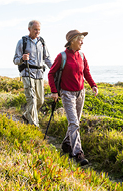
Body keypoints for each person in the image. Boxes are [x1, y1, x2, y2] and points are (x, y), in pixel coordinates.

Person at [48, 30, 98, 166]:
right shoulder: (62, 56)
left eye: (82, 39)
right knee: (74, 123)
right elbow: (51, 74)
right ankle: (77, 153)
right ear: (72, 41)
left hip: (81, 93)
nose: (82, 42)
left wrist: (93, 85)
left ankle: (66, 143)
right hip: (67, 94)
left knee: (75, 122)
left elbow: (86, 72)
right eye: (80, 39)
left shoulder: (82, 55)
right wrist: (54, 91)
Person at [13, 20, 52, 127]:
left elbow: (47, 58)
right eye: (35, 29)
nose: (37, 32)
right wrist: (22, 58)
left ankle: (26, 115)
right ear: (29, 29)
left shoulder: (42, 42)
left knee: (40, 101)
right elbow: (15, 60)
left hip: (39, 75)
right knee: (32, 100)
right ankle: (34, 125)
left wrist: (53, 69)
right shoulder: (22, 42)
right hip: (27, 73)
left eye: (39, 30)